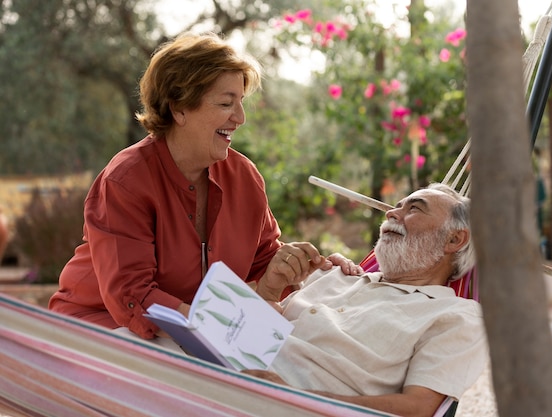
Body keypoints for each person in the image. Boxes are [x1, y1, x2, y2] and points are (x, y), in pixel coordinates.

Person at [49, 32, 360, 341]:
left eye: (241, 102)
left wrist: (311, 270)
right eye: (226, 103)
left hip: (187, 333)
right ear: (179, 108)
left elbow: (262, 261)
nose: (240, 118)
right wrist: (222, 327)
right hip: (99, 328)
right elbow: (131, 297)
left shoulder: (245, 178)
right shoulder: (126, 180)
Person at [247, 183, 488, 417]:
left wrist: (297, 398)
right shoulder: (333, 274)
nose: (391, 213)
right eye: (397, 206)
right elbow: (251, 340)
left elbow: (417, 409)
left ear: (454, 240)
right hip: (229, 377)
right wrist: (270, 289)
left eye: (414, 208)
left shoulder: (456, 316)